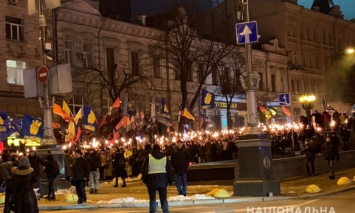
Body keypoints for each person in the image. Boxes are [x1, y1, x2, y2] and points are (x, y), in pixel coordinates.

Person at [142, 144, 173, 213]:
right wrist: (170, 179)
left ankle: (152, 210)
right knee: (163, 198)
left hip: (151, 180)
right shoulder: (165, 157)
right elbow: (169, 169)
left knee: (152, 198)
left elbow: (144, 169)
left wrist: (144, 179)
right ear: (160, 149)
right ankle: (165, 210)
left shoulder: (149, 157)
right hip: (163, 179)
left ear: (153, 149)